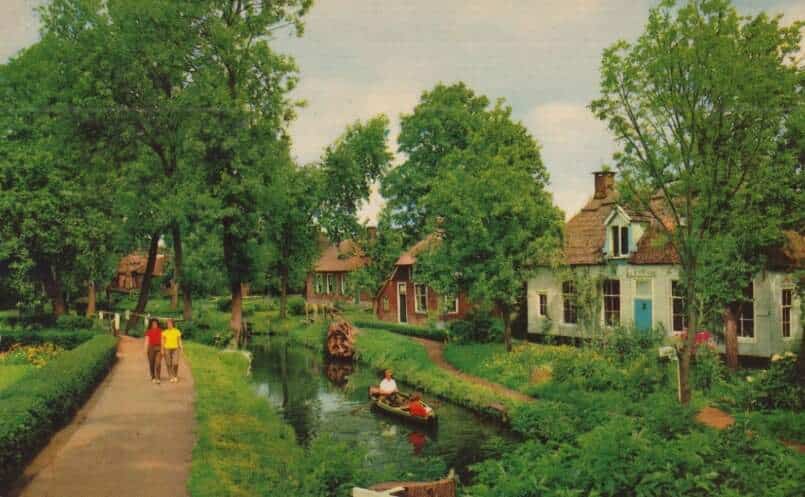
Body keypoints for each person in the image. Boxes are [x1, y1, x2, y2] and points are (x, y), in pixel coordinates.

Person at [161, 319, 183, 383]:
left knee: (175, 363)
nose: (169, 325)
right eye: (168, 324)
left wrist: (181, 347)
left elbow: (179, 340)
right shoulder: (164, 332)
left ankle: (175, 376)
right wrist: (162, 349)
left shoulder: (177, 331)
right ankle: (171, 376)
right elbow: (163, 342)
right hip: (167, 349)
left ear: (173, 324)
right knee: (168, 363)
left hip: (175, 348)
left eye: (170, 323)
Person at [144, 319, 162, 384]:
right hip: (151, 348)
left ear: (158, 324)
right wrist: (145, 350)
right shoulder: (148, 331)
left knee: (158, 363)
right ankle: (153, 377)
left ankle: (158, 377)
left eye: (156, 324)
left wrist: (162, 349)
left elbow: (162, 340)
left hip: (159, 348)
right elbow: (146, 341)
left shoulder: (160, 331)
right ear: (151, 325)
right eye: (153, 324)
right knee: (152, 363)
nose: (155, 325)